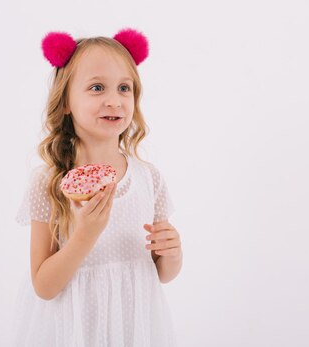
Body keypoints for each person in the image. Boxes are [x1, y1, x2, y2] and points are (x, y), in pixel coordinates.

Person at [12, 28, 183, 346]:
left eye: (124, 88)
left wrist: (173, 252)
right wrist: (85, 235)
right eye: (96, 87)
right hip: (73, 329)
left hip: (135, 327)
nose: (114, 100)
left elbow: (162, 274)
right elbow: (44, 286)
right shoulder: (48, 182)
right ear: (65, 102)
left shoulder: (148, 178)